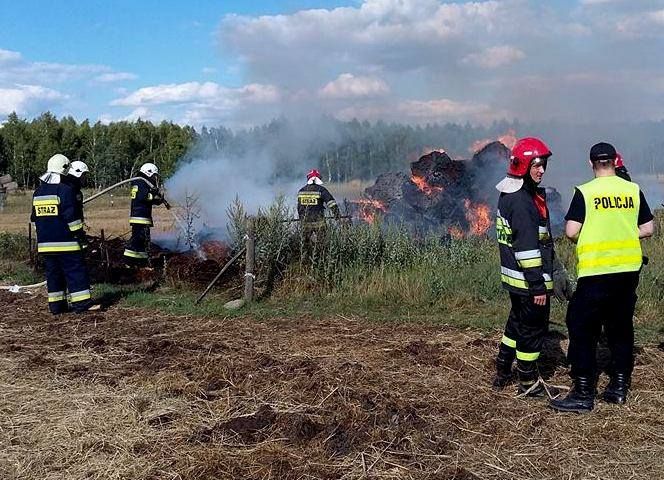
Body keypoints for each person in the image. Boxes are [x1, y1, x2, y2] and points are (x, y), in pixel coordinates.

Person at [550, 142, 655, 413]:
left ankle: (583, 392)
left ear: (591, 163)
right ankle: (620, 386)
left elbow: (572, 231)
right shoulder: (632, 190)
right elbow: (647, 228)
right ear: (615, 162)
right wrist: (623, 234)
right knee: (620, 326)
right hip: (628, 272)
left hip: (596, 272)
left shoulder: (585, 192)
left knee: (582, 327)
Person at [492, 137, 571, 396]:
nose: (541, 170)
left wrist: (556, 267)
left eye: (543, 165)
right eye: (536, 165)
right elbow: (527, 249)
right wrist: (538, 285)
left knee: (516, 324)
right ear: (523, 166)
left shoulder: (513, 195)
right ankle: (527, 382)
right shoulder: (523, 203)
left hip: (516, 280)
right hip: (529, 282)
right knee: (533, 330)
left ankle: (503, 368)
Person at [31, 154, 92, 314]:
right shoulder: (65, 191)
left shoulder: (37, 192)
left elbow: (34, 218)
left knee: (54, 275)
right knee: (75, 272)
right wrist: (81, 236)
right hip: (67, 243)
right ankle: (82, 305)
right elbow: (72, 218)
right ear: (65, 169)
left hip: (45, 245)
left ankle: (57, 307)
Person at [123, 163, 164, 265]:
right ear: (148, 173)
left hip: (141, 216)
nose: (154, 178)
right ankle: (130, 262)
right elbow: (143, 197)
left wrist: (158, 201)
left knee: (143, 241)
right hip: (140, 217)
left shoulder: (139, 181)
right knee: (138, 241)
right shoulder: (141, 182)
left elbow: (146, 199)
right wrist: (154, 193)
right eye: (154, 175)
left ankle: (141, 262)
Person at [297, 169, 340, 249]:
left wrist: (301, 219)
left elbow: (299, 208)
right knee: (323, 244)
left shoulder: (301, 191)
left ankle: (305, 258)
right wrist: (337, 215)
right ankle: (322, 258)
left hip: (305, 223)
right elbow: (331, 203)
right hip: (319, 223)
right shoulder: (321, 190)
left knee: (304, 244)